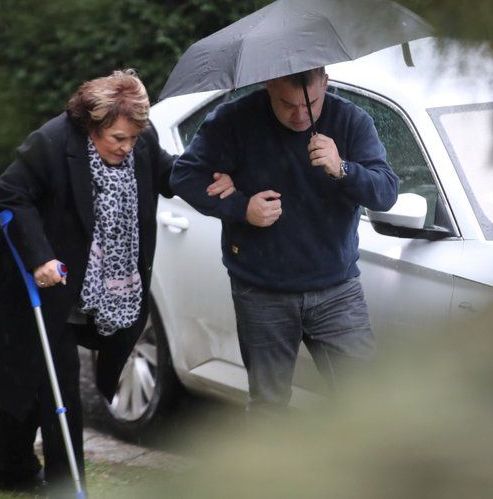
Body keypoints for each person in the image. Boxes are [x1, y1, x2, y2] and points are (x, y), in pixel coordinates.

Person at [0, 70, 233, 492]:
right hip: (44, 283)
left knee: (36, 375)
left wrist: (213, 184)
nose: (127, 147)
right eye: (118, 138)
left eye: (134, 139)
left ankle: (8, 470)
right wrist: (41, 258)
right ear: (92, 124)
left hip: (99, 286)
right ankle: (69, 486)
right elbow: (9, 196)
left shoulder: (138, 142)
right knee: (59, 381)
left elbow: (168, 174)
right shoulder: (51, 143)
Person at [170, 67, 399, 413]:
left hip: (336, 287)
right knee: (268, 406)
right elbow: (184, 176)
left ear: (324, 81)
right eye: (286, 104)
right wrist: (241, 207)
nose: (299, 114)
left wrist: (343, 169)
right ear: (269, 84)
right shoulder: (236, 120)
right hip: (262, 289)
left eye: (310, 104)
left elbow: (386, 193)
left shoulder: (352, 121)